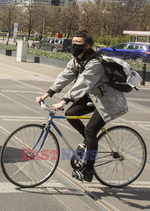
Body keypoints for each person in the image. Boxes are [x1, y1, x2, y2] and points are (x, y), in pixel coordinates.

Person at [36, 30, 128, 183]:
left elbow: (82, 83)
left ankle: (88, 170)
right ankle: (88, 141)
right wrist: (46, 94)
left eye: (78, 44)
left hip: (108, 101)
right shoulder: (76, 60)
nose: (74, 46)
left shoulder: (95, 63)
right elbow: (64, 76)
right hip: (93, 97)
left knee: (90, 129)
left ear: (87, 46)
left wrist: (63, 101)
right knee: (71, 114)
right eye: (73, 43)